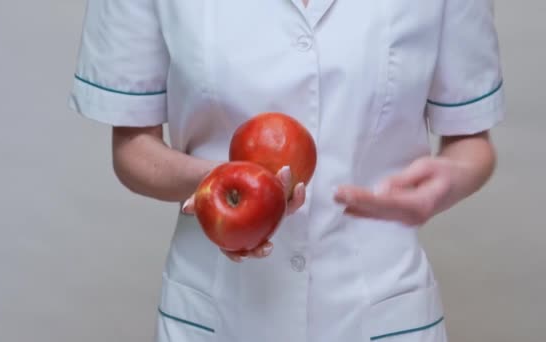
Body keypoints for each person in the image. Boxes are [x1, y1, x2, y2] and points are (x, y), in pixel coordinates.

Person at [68, 0, 505, 340]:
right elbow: (132, 149)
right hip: (219, 307)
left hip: (378, 304)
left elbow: (470, 142)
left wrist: (449, 181)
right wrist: (224, 184)